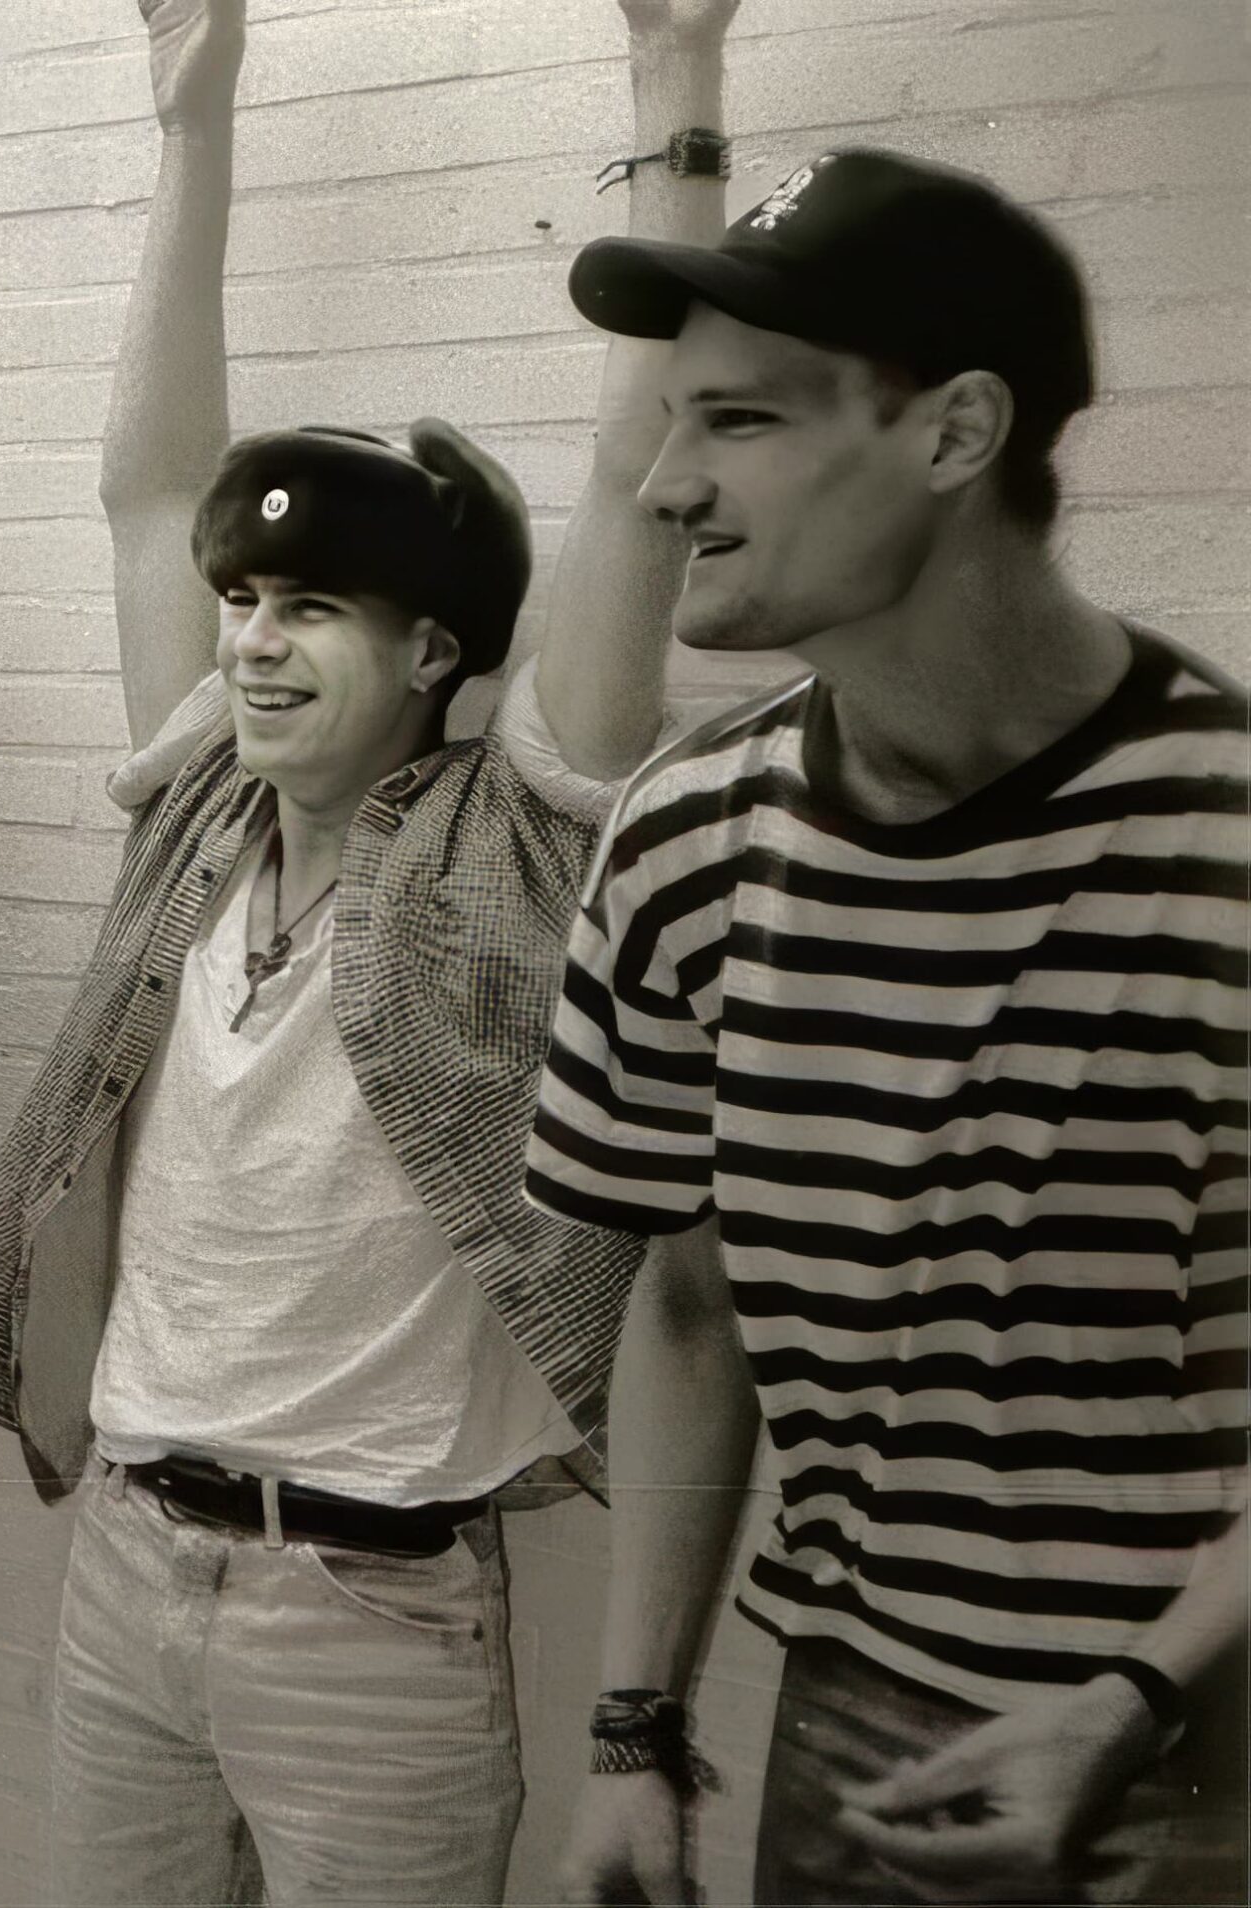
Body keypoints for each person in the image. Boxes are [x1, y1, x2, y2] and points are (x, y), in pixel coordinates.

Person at [0, 1, 736, 1898]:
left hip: (377, 1619)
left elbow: (642, 470)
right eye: (249, 602)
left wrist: (677, 74)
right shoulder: (193, 809)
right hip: (126, 1563)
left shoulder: (513, 839)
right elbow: (146, 488)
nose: (256, 641)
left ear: (437, 651)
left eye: (317, 610)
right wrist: (191, 122)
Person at [526, 144, 1249, 1905]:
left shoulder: (1227, 839)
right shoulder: (685, 839)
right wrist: (632, 1730)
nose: (664, 486)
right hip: (857, 1718)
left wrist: (1138, 1698)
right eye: (671, 423)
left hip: (1205, 1738)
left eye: (741, 422)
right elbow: (690, 1303)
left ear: (955, 432)